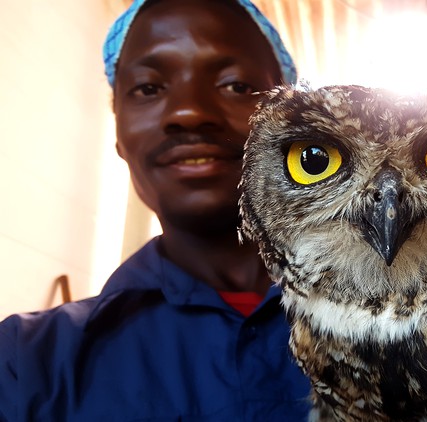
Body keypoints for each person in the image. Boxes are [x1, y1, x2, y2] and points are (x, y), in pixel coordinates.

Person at [0, 0, 311, 420]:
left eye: (236, 85)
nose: (188, 112)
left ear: (295, 127)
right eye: (148, 88)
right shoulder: (25, 362)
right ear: (119, 135)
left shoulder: (414, 329)